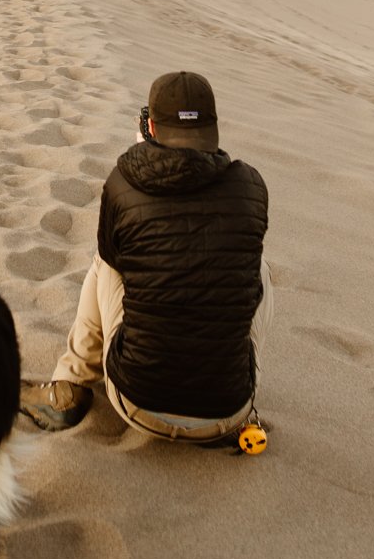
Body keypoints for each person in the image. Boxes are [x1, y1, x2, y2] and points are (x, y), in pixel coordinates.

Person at [19, 71, 270, 442]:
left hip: (136, 402)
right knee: (256, 265)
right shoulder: (252, 187)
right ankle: (221, 370)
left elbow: (117, 256)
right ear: (213, 126)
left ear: (150, 126)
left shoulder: (123, 182)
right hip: (229, 413)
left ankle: (69, 385)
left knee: (107, 259)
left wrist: (143, 153)